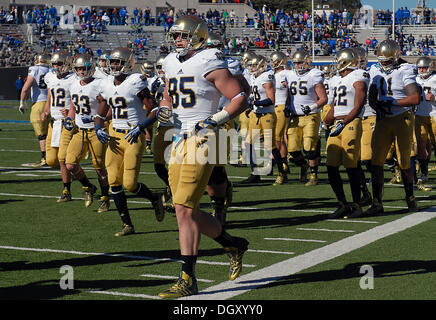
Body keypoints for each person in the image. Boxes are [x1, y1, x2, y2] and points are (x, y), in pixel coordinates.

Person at [156, 15, 250, 298]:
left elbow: (239, 96)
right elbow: (169, 96)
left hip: (205, 136)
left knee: (184, 209)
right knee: (187, 210)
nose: (177, 41)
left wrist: (215, 119)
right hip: (179, 136)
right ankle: (232, 243)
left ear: (198, 36)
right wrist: (164, 109)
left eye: (182, 36)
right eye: (175, 36)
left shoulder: (210, 59)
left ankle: (187, 279)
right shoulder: (171, 62)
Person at [94, 47, 165, 237]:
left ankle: (154, 198)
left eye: (118, 62)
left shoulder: (135, 81)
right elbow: (99, 114)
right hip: (114, 136)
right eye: (113, 62)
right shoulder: (106, 83)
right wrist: (98, 128)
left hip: (133, 135)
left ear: (128, 64)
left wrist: (141, 126)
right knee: (113, 181)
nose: (114, 65)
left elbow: (154, 110)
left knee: (131, 184)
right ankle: (127, 224)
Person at [365, 39, 421, 215]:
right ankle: (376, 202)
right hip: (383, 119)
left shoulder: (405, 69)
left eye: (387, 61)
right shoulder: (374, 70)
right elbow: (372, 97)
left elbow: (414, 98)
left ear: (396, 57)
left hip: (402, 116)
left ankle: (410, 198)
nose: (383, 64)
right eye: (381, 60)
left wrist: (393, 101)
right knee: (376, 161)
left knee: (404, 160)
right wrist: (378, 107)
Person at [323, 48, 369, 218]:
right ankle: (342, 203)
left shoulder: (358, 75)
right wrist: (326, 120)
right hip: (338, 124)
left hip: (350, 123)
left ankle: (357, 205)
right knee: (331, 165)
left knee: (351, 165)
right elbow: (336, 104)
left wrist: (345, 122)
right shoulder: (340, 79)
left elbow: (359, 104)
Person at [64, 53, 110, 212]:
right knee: (69, 164)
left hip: (96, 131)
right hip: (79, 131)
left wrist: (99, 119)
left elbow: (109, 105)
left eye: (84, 68)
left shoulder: (100, 83)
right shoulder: (73, 84)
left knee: (99, 168)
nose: (81, 71)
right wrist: (69, 119)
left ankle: (105, 198)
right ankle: (88, 187)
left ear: (90, 68)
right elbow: (72, 106)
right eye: (79, 68)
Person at [240, 54, 286, 184]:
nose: (252, 68)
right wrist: (252, 106)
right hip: (256, 115)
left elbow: (271, 100)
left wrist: (254, 103)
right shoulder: (256, 78)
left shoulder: (267, 76)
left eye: (254, 65)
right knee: (249, 144)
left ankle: (281, 173)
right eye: (251, 65)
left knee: (271, 146)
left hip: (267, 115)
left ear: (262, 65)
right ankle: (255, 173)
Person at [284, 50, 327, 186]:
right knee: (293, 151)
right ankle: (304, 165)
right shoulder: (289, 75)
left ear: (307, 62)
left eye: (299, 62)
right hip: (295, 117)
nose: (297, 65)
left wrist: (312, 107)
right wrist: (286, 106)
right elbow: (288, 95)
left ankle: (314, 175)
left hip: (310, 116)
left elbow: (323, 99)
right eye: (295, 63)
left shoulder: (314, 75)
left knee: (309, 147)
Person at [41, 50, 76, 202]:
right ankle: (76, 173)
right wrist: (46, 110)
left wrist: (71, 112)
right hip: (53, 123)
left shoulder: (74, 79)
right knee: (51, 160)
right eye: (54, 64)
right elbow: (50, 96)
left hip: (66, 123)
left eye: (59, 64)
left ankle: (66, 190)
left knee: (62, 159)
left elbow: (78, 99)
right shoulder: (50, 77)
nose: (56, 67)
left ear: (67, 64)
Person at [19, 52, 51, 167]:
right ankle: (52, 157)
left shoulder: (35, 69)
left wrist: (22, 102)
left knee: (41, 135)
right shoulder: (51, 70)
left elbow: (25, 88)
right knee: (50, 133)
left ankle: (45, 159)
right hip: (51, 103)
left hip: (39, 104)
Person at [270, 50, 291, 185]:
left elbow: (289, 88)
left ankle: (281, 168)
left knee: (277, 138)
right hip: (274, 107)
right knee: (277, 138)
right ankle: (284, 164)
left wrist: (288, 104)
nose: (271, 63)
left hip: (281, 106)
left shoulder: (284, 74)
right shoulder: (273, 74)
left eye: (273, 60)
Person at [414, 56, 436, 186]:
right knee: (421, 145)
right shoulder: (414, 79)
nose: (421, 70)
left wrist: (434, 97)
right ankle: (424, 173)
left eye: (424, 67)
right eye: (420, 68)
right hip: (419, 115)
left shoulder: (434, 78)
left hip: (434, 114)